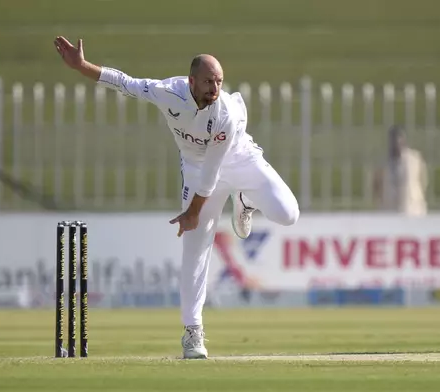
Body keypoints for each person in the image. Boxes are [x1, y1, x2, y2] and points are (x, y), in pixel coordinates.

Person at [54, 36, 300, 359]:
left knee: (288, 213)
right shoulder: (168, 92)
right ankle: (193, 331)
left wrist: (192, 211)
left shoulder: (225, 113)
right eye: (209, 81)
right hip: (196, 168)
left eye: (220, 82)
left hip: (239, 159)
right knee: (195, 250)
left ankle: (245, 200)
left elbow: (215, 169)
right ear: (191, 81)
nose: (215, 88)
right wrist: (83, 66)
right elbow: (126, 83)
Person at [373, 125, 428, 216]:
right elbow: (376, 185)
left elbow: (423, 181)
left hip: (412, 211)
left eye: (399, 140)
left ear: (404, 141)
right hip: (389, 211)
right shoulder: (383, 163)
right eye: (394, 141)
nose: (397, 144)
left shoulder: (414, 159)